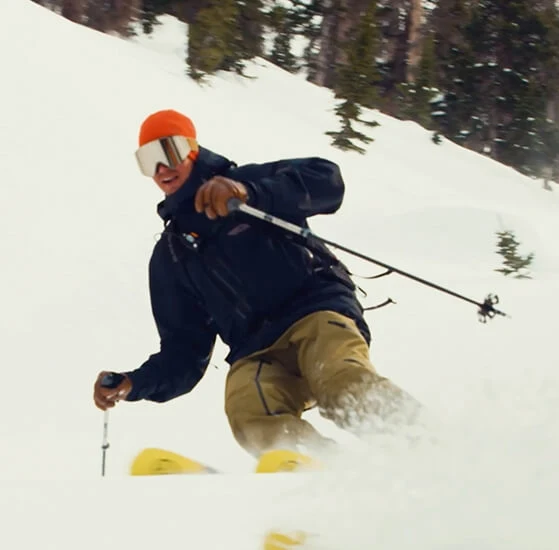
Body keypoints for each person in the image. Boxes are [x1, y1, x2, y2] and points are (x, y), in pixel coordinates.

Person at [93, 109, 419, 458]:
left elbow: (328, 181)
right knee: (248, 410)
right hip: (255, 349)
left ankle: (426, 445)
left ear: (191, 148)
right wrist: (135, 382)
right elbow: (185, 354)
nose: (161, 169)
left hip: (315, 313)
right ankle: (330, 469)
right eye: (148, 160)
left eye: (168, 152)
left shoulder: (245, 184)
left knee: (341, 384)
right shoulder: (171, 255)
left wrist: (250, 193)